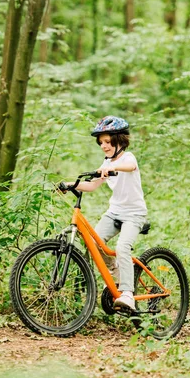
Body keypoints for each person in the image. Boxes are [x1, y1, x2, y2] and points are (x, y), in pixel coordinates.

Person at [61, 116, 148, 311]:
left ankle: (127, 294)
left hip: (134, 214)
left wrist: (112, 167)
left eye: (108, 142)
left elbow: (130, 167)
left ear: (119, 141)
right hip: (114, 213)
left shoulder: (127, 158)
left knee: (123, 247)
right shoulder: (106, 162)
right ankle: (116, 269)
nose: (104, 146)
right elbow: (91, 186)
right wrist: (70, 185)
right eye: (101, 142)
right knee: (93, 241)